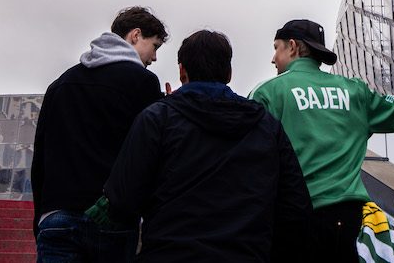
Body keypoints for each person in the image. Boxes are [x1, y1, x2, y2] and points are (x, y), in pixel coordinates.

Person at [249, 19, 394, 263]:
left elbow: (247, 159)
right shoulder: (354, 91)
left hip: (293, 218)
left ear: (293, 46)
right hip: (348, 220)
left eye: (276, 48)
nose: (273, 58)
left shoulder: (267, 93)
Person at [95, 30, 311, 262]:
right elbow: (296, 209)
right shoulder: (266, 126)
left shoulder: (157, 119)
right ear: (228, 73)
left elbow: (122, 201)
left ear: (182, 71)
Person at [31, 6, 167, 262]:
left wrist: (40, 217)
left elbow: (40, 158)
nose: (154, 58)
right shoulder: (143, 82)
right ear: (135, 35)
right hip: (111, 219)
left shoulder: (60, 84)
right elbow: (147, 155)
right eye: (155, 46)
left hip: (55, 216)